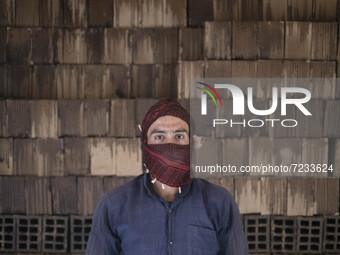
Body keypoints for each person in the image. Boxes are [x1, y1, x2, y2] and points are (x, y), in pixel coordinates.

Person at [85, 98, 248, 255]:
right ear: (145, 143)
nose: (170, 146)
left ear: (191, 143)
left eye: (179, 136)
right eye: (159, 137)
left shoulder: (220, 203)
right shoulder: (113, 206)